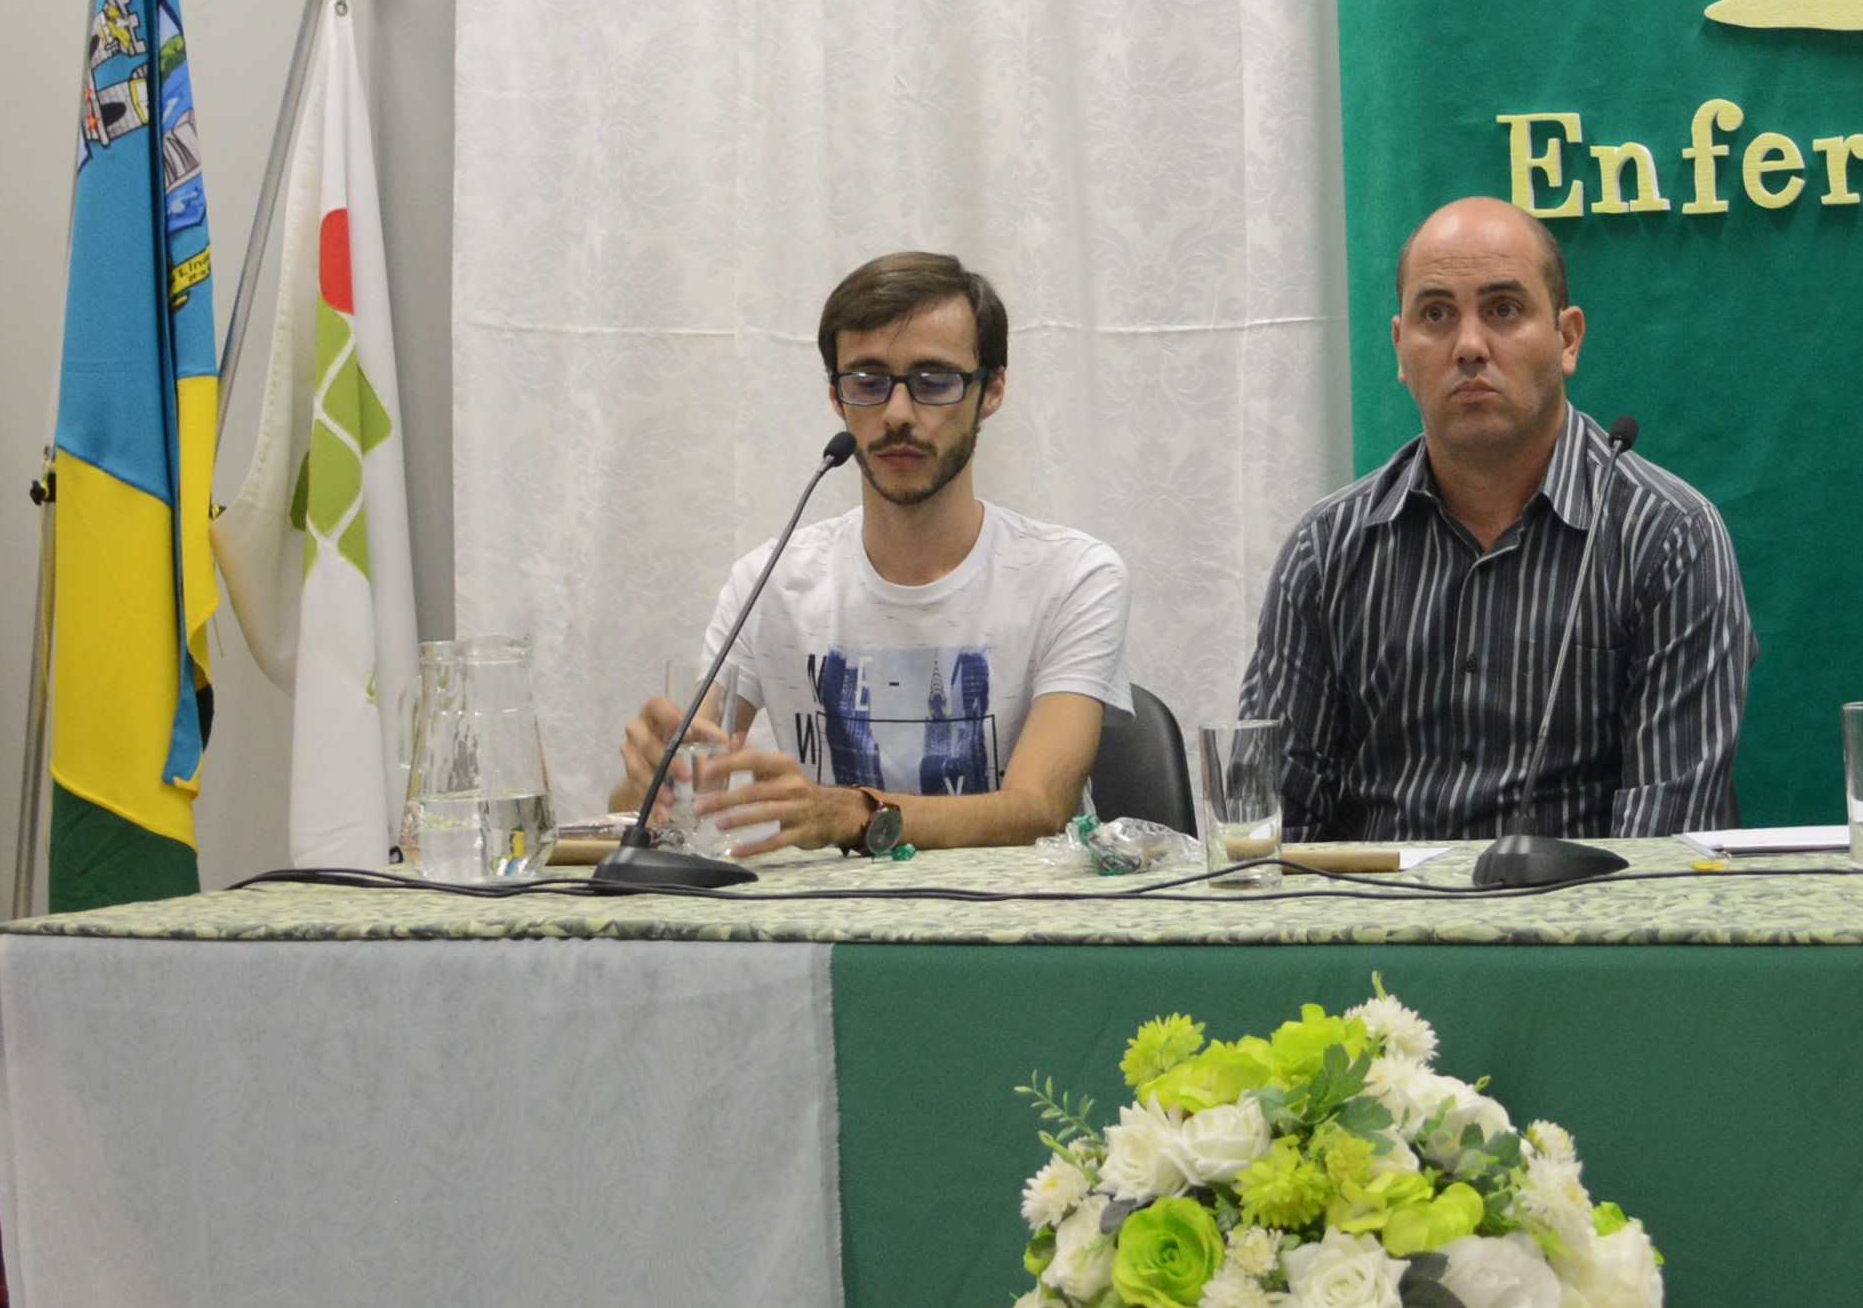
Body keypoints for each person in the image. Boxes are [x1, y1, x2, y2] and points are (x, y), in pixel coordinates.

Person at [1240, 196, 1752, 840]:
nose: (1470, 346)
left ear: (1567, 339)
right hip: (1374, 926)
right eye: (1436, 316)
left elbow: (1663, 845)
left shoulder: (1668, 538)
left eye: (1504, 311)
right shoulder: (1328, 549)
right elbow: (1268, 827)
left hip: (1583, 928)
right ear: (1400, 349)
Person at [614, 251, 1127, 854]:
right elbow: (655, 816)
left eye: (934, 382)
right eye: (867, 382)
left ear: (991, 391)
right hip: (825, 929)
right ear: (836, 398)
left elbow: (1037, 810)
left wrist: (856, 814)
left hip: (1010, 930)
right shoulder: (769, 580)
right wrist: (647, 780)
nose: (897, 414)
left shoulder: (1073, 576)